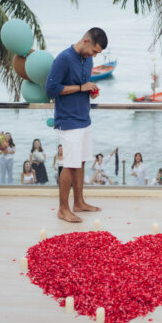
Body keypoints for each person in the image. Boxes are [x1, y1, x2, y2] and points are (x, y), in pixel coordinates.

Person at [46, 28, 108, 222]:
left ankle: (79, 202)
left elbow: (83, 84)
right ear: (85, 41)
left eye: (97, 53)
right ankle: (63, 209)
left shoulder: (88, 59)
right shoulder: (63, 58)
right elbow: (51, 89)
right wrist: (81, 87)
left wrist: (90, 90)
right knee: (70, 164)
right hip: (68, 119)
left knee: (80, 160)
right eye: (94, 51)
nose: (95, 56)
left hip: (84, 116)